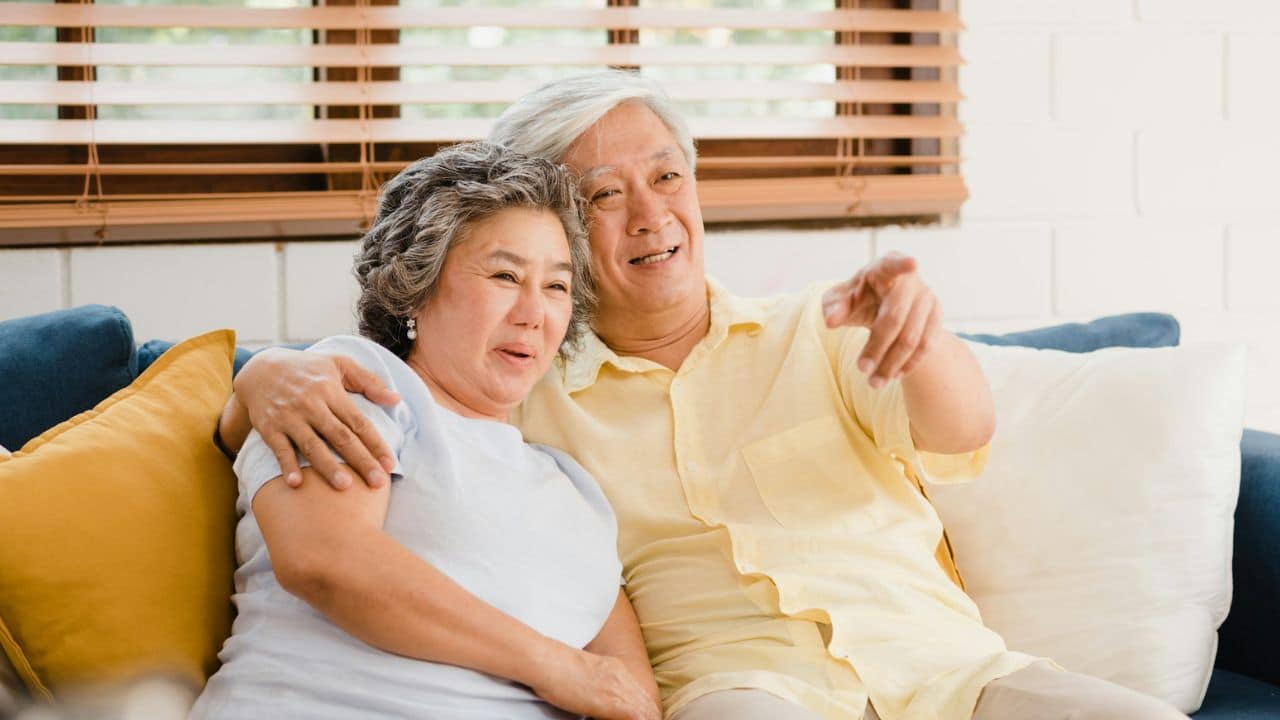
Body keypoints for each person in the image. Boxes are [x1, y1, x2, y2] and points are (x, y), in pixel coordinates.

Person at [217, 72, 1189, 720]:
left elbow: (959, 428)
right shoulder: (526, 392)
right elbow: (392, 396)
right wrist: (261, 376)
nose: (650, 214)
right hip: (743, 694)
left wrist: (922, 337)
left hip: (948, 677)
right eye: (601, 195)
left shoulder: (823, 325)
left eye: (667, 176)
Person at [191, 141, 660, 720]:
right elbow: (326, 562)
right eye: (505, 275)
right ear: (417, 286)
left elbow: (629, 696)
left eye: (557, 286)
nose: (534, 312)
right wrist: (556, 666)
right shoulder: (359, 387)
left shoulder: (574, 489)